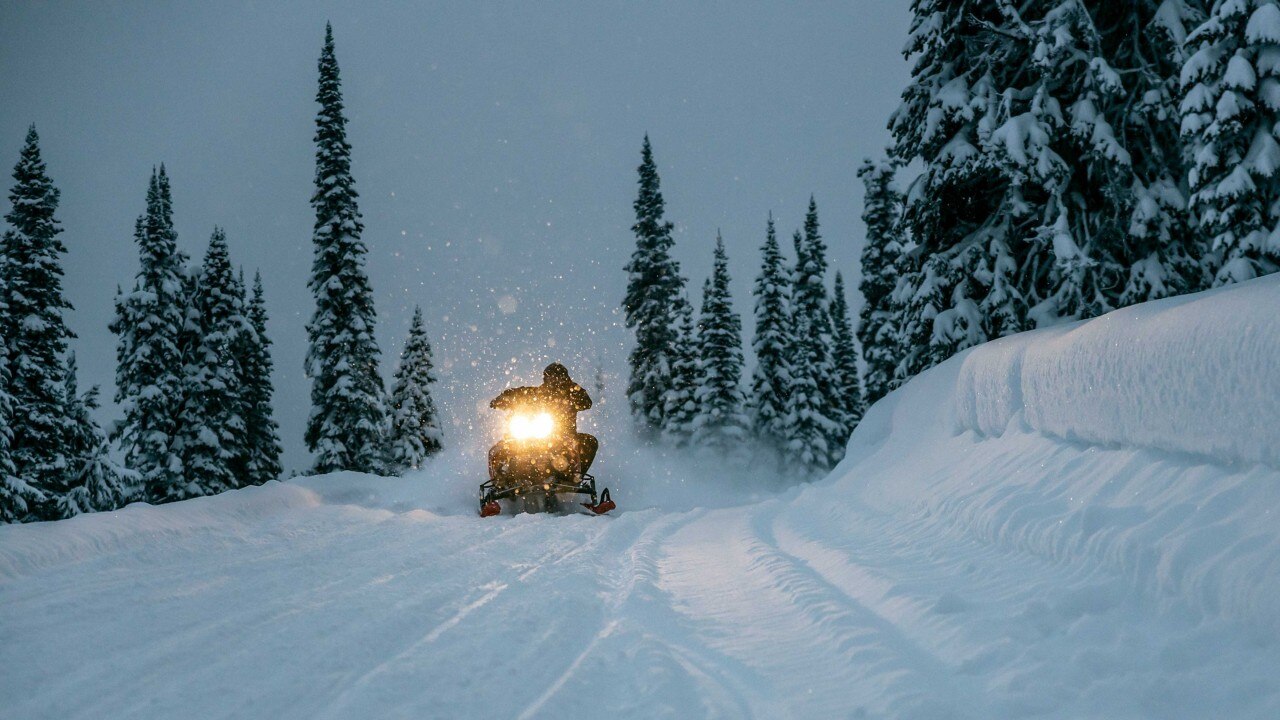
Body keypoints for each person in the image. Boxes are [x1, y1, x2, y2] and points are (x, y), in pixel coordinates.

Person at [488, 363, 598, 482]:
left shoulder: (571, 394)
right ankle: (502, 478)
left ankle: (574, 476)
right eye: (550, 377)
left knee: (589, 442)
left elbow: (586, 402)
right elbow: (519, 393)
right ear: (545, 378)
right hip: (533, 435)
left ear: (566, 379)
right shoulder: (537, 393)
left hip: (563, 437)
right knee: (501, 447)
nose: (555, 381)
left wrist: (571, 390)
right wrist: (504, 398)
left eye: (559, 378)